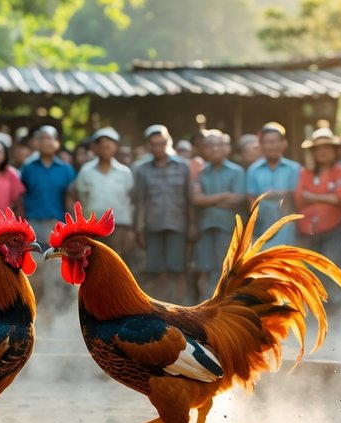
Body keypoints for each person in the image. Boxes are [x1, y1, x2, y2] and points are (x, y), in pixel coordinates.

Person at [134, 123, 192, 302]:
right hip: (153, 225)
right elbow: (140, 201)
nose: (158, 147)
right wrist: (139, 229)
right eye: (154, 144)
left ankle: (180, 307)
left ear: (168, 142)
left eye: (162, 143)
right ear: (149, 146)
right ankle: (160, 309)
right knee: (156, 270)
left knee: (177, 269)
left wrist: (193, 224)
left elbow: (189, 198)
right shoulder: (142, 170)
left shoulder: (183, 166)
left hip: (178, 224)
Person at [20, 125, 76, 303]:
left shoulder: (66, 170)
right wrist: (22, 226)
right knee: (34, 269)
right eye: (43, 138)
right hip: (33, 223)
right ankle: (34, 306)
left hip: (56, 224)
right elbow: (21, 198)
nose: (47, 142)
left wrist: (70, 226)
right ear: (37, 142)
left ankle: (53, 309)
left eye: (51, 138)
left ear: (57, 143)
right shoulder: (28, 168)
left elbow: (69, 198)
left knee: (54, 270)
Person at [191, 129, 246, 296]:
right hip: (205, 226)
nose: (214, 149)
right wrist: (223, 196)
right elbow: (196, 199)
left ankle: (224, 307)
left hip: (228, 226)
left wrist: (207, 201)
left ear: (227, 148)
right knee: (204, 267)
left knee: (226, 267)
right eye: (209, 145)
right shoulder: (200, 172)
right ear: (203, 149)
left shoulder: (236, 171)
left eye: (218, 145)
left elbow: (237, 199)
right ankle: (206, 306)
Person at [71, 126, 135, 258]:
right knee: (93, 261)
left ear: (116, 147)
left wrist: (130, 230)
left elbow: (131, 200)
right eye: (101, 143)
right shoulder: (86, 170)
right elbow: (81, 197)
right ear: (94, 148)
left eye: (109, 142)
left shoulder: (125, 172)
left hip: (119, 227)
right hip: (92, 227)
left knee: (116, 262)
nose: (105, 145)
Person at [294, 127, 341, 267]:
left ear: (334, 150)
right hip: (306, 231)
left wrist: (313, 197)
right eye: (318, 148)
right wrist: (327, 197)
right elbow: (300, 198)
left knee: (331, 269)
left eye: (326, 147)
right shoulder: (305, 173)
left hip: (334, 231)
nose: (322, 152)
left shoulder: (340, 171)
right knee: (307, 271)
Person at [245, 122, 301, 247]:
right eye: (268, 142)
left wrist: (274, 194)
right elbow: (250, 197)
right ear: (261, 145)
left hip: (288, 225)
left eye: (276, 141)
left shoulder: (295, 168)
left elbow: (297, 195)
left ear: (283, 144)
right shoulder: (253, 169)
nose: (272, 145)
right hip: (262, 225)